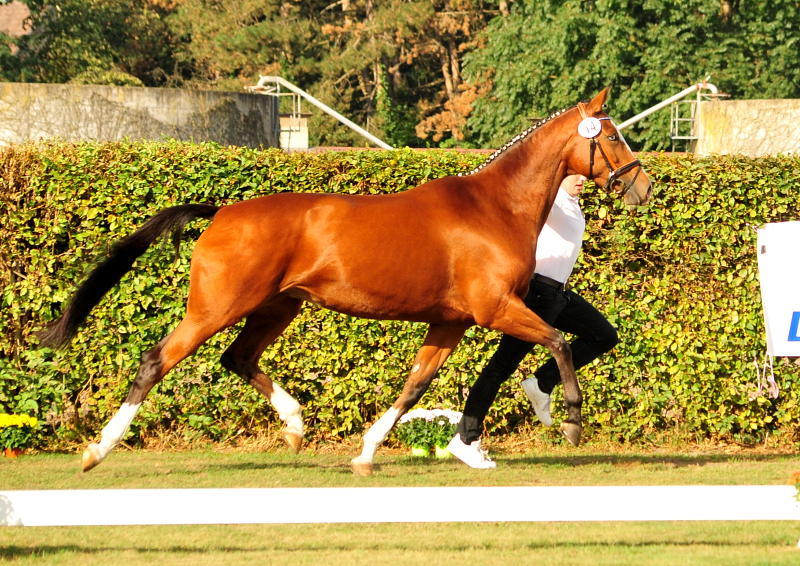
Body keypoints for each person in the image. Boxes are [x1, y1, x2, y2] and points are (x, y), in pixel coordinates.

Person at [447, 174, 619, 469]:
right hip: (537, 293)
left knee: (603, 335)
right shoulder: (550, 201)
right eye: (573, 175)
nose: (580, 180)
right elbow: (509, 190)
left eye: (583, 176)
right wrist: (468, 183)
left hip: (561, 294)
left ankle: (543, 381)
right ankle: (465, 439)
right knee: (502, 365)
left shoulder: (574, 204)